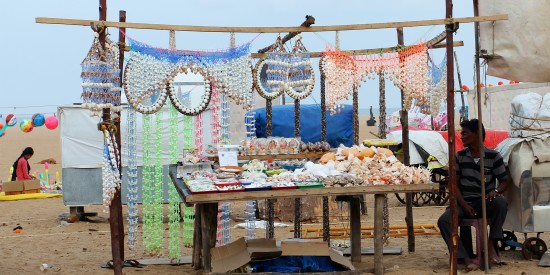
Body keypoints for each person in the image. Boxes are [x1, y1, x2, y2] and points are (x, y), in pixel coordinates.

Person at [437, 119, 509, 271]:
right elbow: (454, 185)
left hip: (484, 202)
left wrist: (495, 192)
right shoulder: (459, 156)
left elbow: (504, 181)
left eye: (465, 133)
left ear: (476, 134)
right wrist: (464, 205)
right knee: (444, 221)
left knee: (501, 203)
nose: (461, 136)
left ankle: (491, 245)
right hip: (464, 203)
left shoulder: (493, 156)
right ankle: (466, 258)